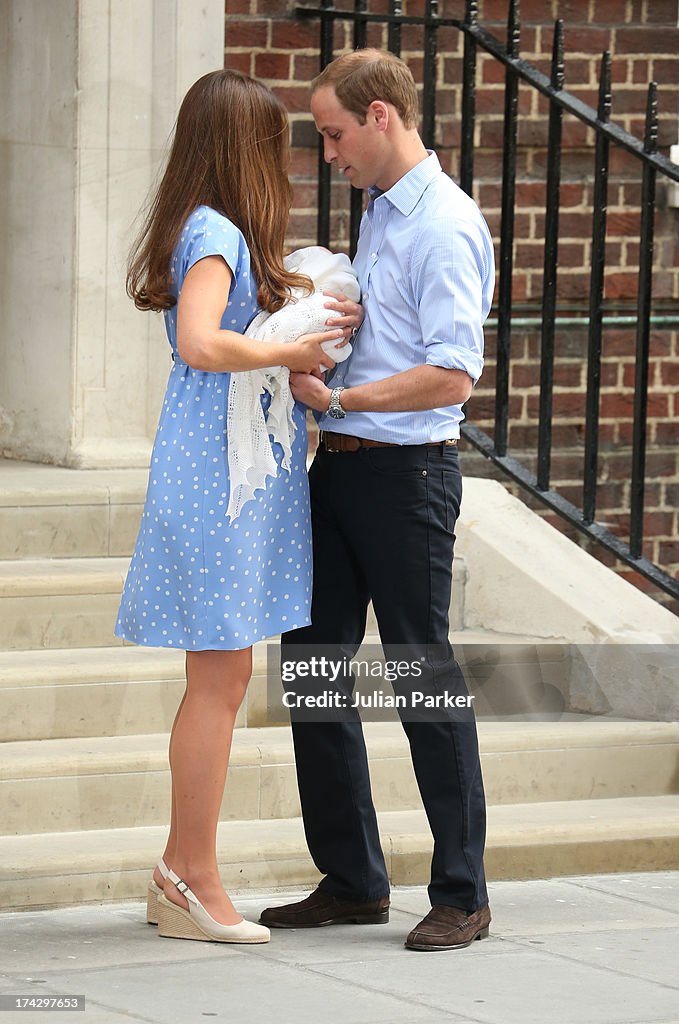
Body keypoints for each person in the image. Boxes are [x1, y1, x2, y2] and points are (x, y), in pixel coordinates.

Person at [115, 69, 361, 944]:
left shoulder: (204, 226)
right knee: (218, 684)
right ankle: (193, 878)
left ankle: (182, 873)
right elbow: (199, 340)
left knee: (219, 681)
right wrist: (294, 342)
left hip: (225, 469)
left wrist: (289, 347)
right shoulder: (215, 229)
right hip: (216, 477)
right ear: (247, 147)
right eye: (278, 143)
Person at [260, 49, 495, 952]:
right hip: (343, 471)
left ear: (382, 117)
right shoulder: (380, 214)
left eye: (333, 133)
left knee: (420, 677)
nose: (328, 153)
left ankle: (462, 892)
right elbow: (398, 339)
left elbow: (451, 375)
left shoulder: (441, 225)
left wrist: (345, 396)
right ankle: (353, 879)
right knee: (313, 666)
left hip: (405, 479)